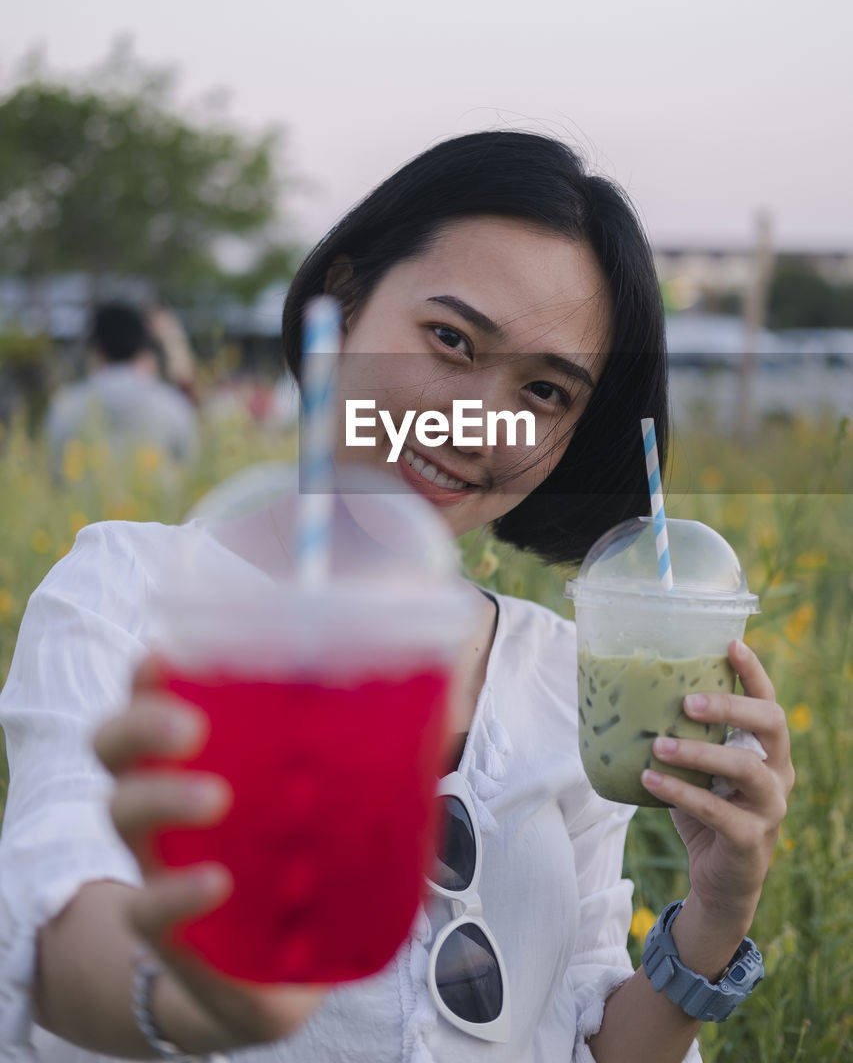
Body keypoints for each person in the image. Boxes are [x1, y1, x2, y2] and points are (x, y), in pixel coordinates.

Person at [0, 132, 793, 1062]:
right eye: (450, 339)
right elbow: (52, 915)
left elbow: (586, 1031)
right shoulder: (128, 592)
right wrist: (192, 995)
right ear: (338, 305)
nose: (475, 421)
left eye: (542, 390)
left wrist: (713, 911)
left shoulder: (561, 674)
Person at [44, 302, 198, 476]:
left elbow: (55, 472)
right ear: (143, 346)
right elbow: (188, 467)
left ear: (96, 348)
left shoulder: (67, 405)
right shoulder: (171, 404)